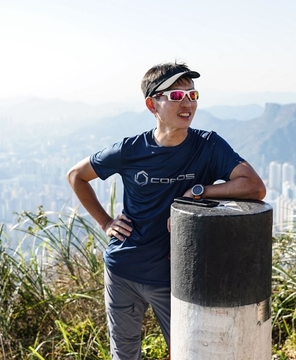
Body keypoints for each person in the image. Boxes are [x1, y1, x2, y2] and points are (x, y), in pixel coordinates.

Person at [66, 61, 266, 360]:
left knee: (187, 353)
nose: (187, 104)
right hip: (123, 269)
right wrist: (106, 222)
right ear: (152, 105)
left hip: (176, 277)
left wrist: (199, 191)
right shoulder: (130, 150)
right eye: (176, 96)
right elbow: (76, 176)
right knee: (124, 355)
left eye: (192, 95)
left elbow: (254, 186)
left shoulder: (208, 145)